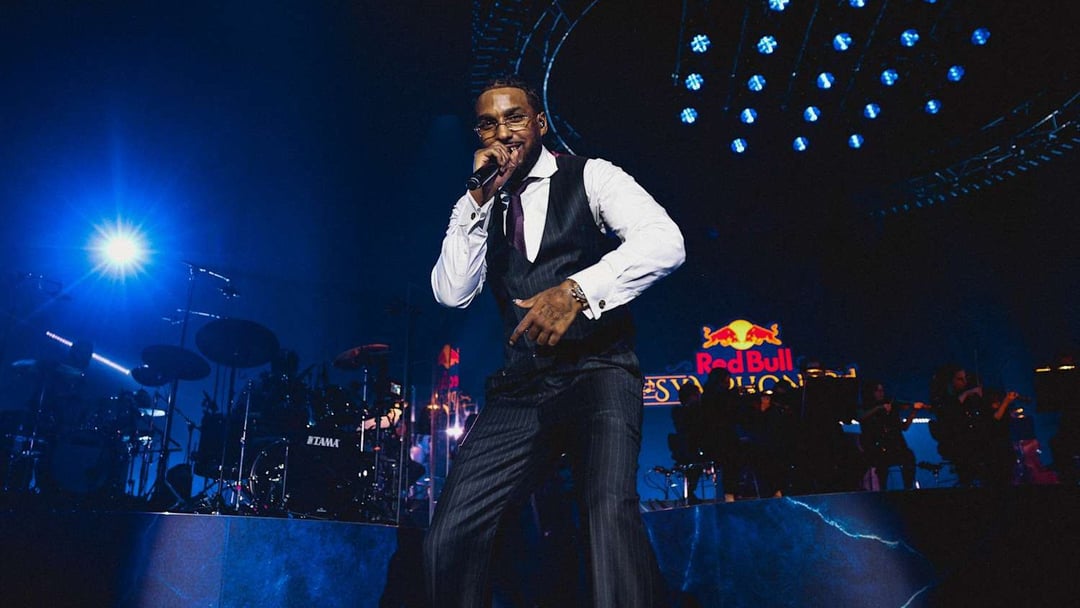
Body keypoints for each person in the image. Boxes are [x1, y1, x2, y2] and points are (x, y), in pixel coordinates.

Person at [427, 75, 685, 607]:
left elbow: (665, 241)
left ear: (539, 123)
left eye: (514, 118)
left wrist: (578, 290)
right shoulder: (479, 205)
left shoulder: (591, 176)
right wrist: (476, 201)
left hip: (599, 370)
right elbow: (452, 293)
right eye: (488, 123)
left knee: (607, 516)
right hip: (522, 387)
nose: (502, 132)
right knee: (449, 536)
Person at [858, 381, 919, 490]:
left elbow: (904, 427)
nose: (881, 393)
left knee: (908, 456)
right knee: (882, 461)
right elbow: (861, 417)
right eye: (877, 390)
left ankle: (908, 488)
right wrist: (879, 408)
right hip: (876, 449)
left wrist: (913, 412)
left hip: (894, 448)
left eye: (882, 390)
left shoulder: (891, 410)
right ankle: (883, 489)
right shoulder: (867, 408)